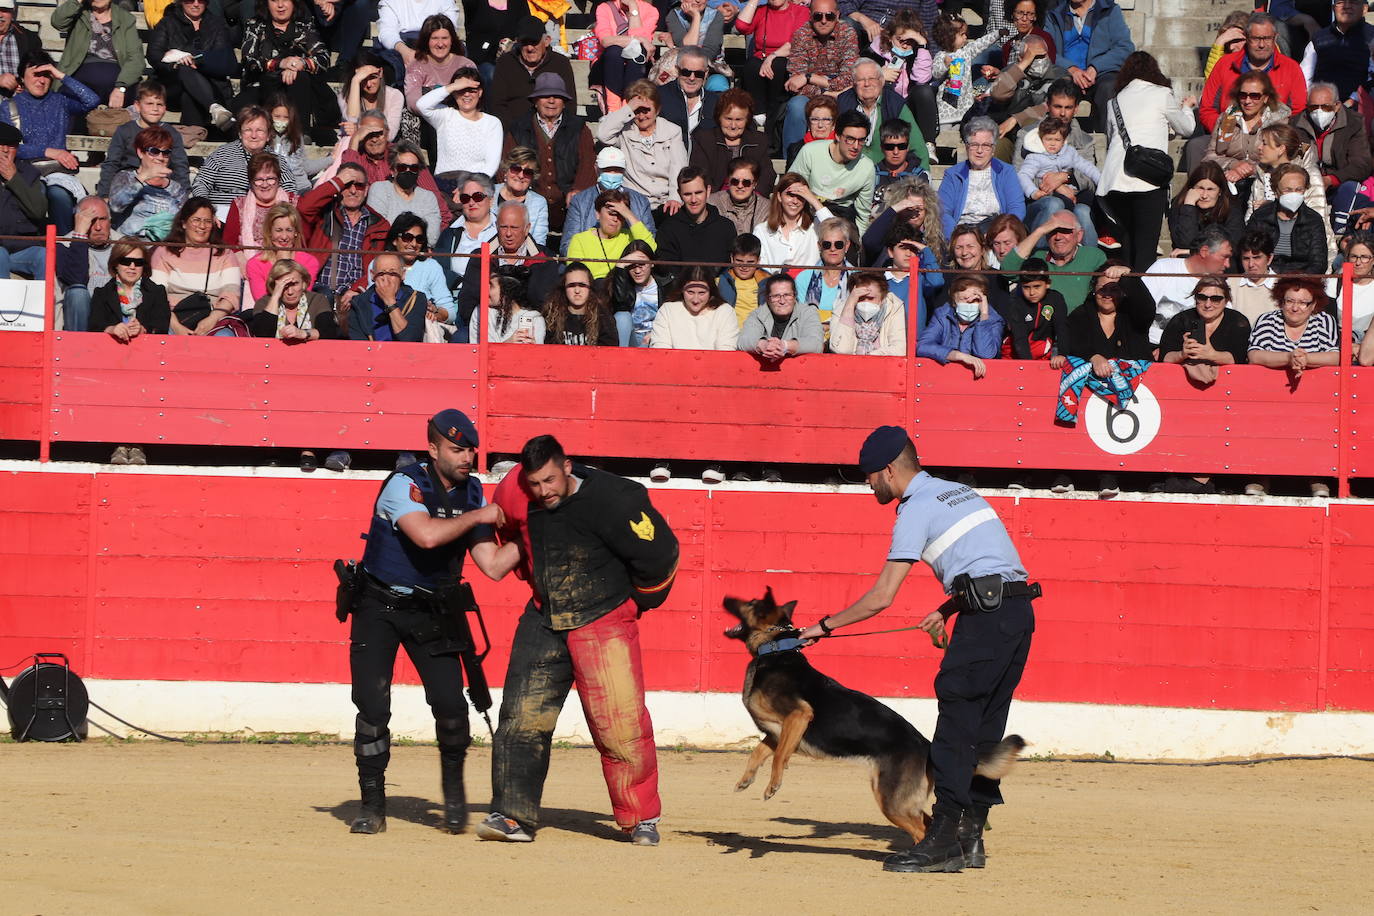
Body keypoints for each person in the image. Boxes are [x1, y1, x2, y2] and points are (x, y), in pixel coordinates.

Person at [795, 425, 1036, 875]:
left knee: (954, 731)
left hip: (984, 621)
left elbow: (882, 596)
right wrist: (950, 607)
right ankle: (971, 838)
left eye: (869, 475)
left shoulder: (915, 508)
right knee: (984, 729)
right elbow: (993, 565)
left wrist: (822, 627)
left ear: (889, 469)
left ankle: (942, 838)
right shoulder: (956, 492)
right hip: (1016, 616)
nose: (868, 484)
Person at [478, 434, 678, 845]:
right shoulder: (514, 489)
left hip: (603, 616)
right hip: (544, 615)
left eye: (550, 481)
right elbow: (508, 532)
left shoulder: (618, 498)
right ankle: (512, 816)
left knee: (620, 725)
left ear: (567, 467)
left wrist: (633, 605)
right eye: (534, 484)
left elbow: (660, 555)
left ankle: (641, 819)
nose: (543, 492)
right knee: (521, 718)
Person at [344, 408, 517, 836]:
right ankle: (372, 805)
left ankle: (454, 794)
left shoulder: (472, 493)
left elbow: (492, 566)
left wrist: (532, 536)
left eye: (471, 450)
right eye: (457, 449)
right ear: (433, 448)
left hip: (432, 609)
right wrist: (481, 516)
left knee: (453, 708)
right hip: (378, 607)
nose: (467, 458)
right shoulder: (404, 483)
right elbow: (425, 535)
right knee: (372, 708)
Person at [1098, 51, 1196, 272]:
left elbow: (1113, 136)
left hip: (1115, 182)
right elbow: (1186, 128)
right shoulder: (1162, 93)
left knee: (1126, 247)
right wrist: (1188, 107)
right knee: (1145, 249)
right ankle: (1142, 300)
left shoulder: (1114, 101)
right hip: (1148, 181)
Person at [2, 52, 97, 234]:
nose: (41, 80)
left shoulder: (60, 101)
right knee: (38, 194)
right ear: (22, 77)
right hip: (25, 170)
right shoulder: (9, 106)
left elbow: (92, 100)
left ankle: (63, 245)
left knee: (58, 195)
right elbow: (9, 149)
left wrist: (61, 75)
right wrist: (49, 151)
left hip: (57, 172)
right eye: (36, 74)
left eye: (46, 75)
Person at [1196, 12, 1307, 156]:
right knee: (1195, 146)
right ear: (1247, 38)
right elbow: (1207, 109)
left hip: (1273, 143)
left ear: (1276, 38)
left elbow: (1298, 113)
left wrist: (1270, 139)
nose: (1261, 45)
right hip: (1228, 136)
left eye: (1267, 39)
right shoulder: (1224, 65)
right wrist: (1230, 134)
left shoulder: (1291, 68)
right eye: (1256, 39)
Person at [505, 73, 596, 237]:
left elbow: (588, 164)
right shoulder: (518, 128)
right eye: (545, 96)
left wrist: (578, 190)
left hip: (568, 204)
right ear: (535, 100)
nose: (552, 101)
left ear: (564, 101)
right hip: (528, 201)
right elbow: (507, 165)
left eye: (557, 96)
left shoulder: (579, 128)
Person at [453, 202, 559, 341]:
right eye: (504, 227)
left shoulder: (544, 259)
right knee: (460, 337)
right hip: (488, 326)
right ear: (496, 226)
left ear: (527, 228)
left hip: (529, 325)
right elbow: (467, 304)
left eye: (514, 228)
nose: (508, 233)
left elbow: (545, 303)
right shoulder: (479, 257)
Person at [237, 0, 336, 145]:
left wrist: (299, 63)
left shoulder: (304, 25)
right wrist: (280, 64)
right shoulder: (255, 25)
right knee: (268, 79)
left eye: (285, 0)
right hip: (263, 86)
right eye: (274, 1)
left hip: (298, 87)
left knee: (300, 76)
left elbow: (323, 58)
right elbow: (250, 60)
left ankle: (302, 134)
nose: (280, 5)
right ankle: (269, 132)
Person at [300, 162, 391, 309]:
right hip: (320, 292)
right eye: (347, 185)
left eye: (359, 186)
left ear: (366, 189)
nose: (353, 191)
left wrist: (358, 289)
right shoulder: (325, 213)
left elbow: (377, 266)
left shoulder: (379, 225)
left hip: (357, 296)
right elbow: (304, 207)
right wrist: (337, 181)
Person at [152, 196, 242, 335]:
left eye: (207, 221)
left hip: (213, 318)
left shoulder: (225, 254)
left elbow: (231, 295)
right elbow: (157, 295)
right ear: (183, 223)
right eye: (196, 220)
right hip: (172, 318)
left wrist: (212, 319)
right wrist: (176, 326)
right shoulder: (164, 252)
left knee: (225, 337)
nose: (202, 226)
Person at [1291, 82, 1373, 235]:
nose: (1319, 112)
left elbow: (1361, 164)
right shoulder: (1295, 124)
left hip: (1340, 182)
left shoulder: (1354, 123)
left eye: (1326, 107)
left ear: (1337, 106)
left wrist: (1331, 179)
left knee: (1350, 188)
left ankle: (1341, 233)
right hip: (1306, 182)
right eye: (1313, 107)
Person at [781, 0, 860, 157]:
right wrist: (826, 92)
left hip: (842, 93)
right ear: (811, 16)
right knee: (796, 106)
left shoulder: (848, 33)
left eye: (829, 16)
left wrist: (809, 77)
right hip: (813, 95)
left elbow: (849, 78)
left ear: (837, 15)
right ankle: (792, 163)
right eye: (818, 16)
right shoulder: (801, 35)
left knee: (852, 105)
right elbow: (796, 82)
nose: (823, 21)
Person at [596, 80, 689, 212]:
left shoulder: (672, 131)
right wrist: (628, 109)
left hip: (665, 201)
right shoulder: (624, 131)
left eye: (646, 110)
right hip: (633, 202)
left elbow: (678, 167)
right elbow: (603, 134)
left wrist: (674, 198)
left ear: (657, 109)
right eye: (637, 111)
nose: (641, 116)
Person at [1041, 0, 1135, 131]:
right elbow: (1046, 49)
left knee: (1109, 87)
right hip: (1066, 73)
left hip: (1101, 74)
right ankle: (1054, 137)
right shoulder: (1055, 12)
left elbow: (1125, 47)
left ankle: (1108, 138)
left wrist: (1095, 67)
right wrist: (1071, 69)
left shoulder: (1109, 10)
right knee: (1054, 88)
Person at [147, 0, 237, 134]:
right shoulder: (167, 22)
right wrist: (175, 64)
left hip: (210, 84)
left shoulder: (217, 24)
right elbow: (154, 54)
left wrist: (191, 58)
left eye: (201, 0)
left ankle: (192, 143)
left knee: (189, 94)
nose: (196, 4)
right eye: (190, 0)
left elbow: (226, 62)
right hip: (173, 84)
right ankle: (214, 108)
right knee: (184, 68)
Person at [191, 106, 301, 212]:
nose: (254, 135)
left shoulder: (276, 160)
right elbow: (201, 183)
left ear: (268, 135)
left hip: (263, 215)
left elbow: (289, 187)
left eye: (259, 130)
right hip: (221, 211)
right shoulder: (222, 154)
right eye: (248, 130)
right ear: (240, 133)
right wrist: (207, 210)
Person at [1141, 226, 1234, 347]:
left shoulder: (1221, 285)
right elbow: (1141, 308)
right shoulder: (1164, 268)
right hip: (1151, 345)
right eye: (1224, 257)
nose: (1228, 264)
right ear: (1204, 252)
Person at [97, 81, 191, 199]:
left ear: (165, 107)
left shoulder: (172, 133)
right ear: (137, 106)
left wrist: (185, 195)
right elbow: (111, 163)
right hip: (129, 180)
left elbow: (180, 166)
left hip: (161, 182)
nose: (155, 109)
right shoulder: (125, 130)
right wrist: (104, 195)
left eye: (159, 104)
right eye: (149, 103)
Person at [734, 0, 810, 144]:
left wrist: (772, 56)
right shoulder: (762, 11)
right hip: (760, 59)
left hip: (786, 57)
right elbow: (741, 26)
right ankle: (758, 114)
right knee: (751, 65)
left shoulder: (801, 11)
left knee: (778, 66)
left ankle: (772, 123)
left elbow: (797, 42)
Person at [50, 0, 145, 112]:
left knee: (138, 97)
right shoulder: (79, 13)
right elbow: (57, 22)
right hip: (80, 76)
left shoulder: (125, 19)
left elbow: (136, 58)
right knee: (64, 97)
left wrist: (121, 88)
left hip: (118, 80)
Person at [791, 110, 877, 232]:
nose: (856, 146)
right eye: (850, 139)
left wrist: (858, 244)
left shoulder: (866, 167)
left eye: (861, 140)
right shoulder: (810, 152)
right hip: (806, 212)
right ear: (837, 135)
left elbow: (863, 214)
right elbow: (791, 187)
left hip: (842, 218)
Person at [937, 116, 1026, 236]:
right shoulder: (953, 174)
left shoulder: (1006, 171)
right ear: (967, 147)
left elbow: (1016, 208)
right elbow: (943, 212)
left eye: (986, 145)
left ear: (993, 149)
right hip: (962, 234)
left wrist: (1002, 235)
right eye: (974, 144)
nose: (979, 150)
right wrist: (956, 238)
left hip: (995, 234)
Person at [1001, 209, 1105, 311]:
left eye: (1065, 231)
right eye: (1052, 231)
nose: (1058, 237)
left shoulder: (1093, 256)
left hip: (1078, 324)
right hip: (1043, 325)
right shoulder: (1037, 257)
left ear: (1079, 235)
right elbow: (1008, 270)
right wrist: (1039, 231)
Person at [1247, 275, 1338, 390]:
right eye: (1290, 301)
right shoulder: (1267, 320)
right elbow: (1254, 355)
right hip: (1268, 387)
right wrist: (1288, 358)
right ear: (1281, 302)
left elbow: (1335, 357)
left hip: (1316, 388)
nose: (1295, 308)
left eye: (1303, 303)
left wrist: (1306, 359)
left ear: (1313, 304)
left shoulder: (1324, 321)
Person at [403, 14, 473, 163]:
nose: (440, 44)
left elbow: (473, 97)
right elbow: (413, 102)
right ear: (426, 41)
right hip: (426, 123)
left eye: (444, 38)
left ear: (452, 39)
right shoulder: (417, 65)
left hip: (458, 120)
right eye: (435, 38)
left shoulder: (466, 65)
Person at [1018, 116, 1099, 243]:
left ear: (1064, 140)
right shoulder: (1035, 157)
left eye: (1057, 139)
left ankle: (1091, 254)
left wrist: (1100, 180)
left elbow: (1086, 166)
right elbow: (1023, 175)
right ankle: (1040, 247)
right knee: (1055, 203)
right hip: (1048, 195)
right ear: (1041, 139)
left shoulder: (1069, 152)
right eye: (1048, 139)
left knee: (1083, 210)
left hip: (1072, 194)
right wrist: (1033, 192)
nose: (1052, 143)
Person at [562, 148, 658, 255]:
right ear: (596, 169)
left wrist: (628, 214)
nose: (612, 174)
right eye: (607, 169)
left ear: (624, 171)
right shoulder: (580, 201)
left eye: (617, 170)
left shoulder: (640, 201)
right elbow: (567, 246)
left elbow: (650, 245)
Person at [837, 58, 926, 171]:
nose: (867, 84)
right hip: (850, 172)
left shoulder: (895, 103)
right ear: (854, 84)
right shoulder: (843, 103)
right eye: (861, 80)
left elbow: (917, 146)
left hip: (886, 174)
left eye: (872, 78)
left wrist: (924, 175)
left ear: (882, 81)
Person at [417, 66, 503, 181]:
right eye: (461, 90)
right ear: (454, 93)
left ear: (480, 92)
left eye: (472, 90)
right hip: (444, 183)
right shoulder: (445, 115)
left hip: (476, 186)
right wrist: (452, 86)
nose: (466, 94)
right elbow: (421, 105)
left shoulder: (492, 123)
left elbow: (491, 164)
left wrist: (471, 187)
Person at [654, 167, 736, 286]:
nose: (693, 200)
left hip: (717, 294)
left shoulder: (725, 227)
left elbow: (729, 270)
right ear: (679, 194)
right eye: (687, 194)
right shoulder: (668, 229)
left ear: (708, 191)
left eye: (698, 193)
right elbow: (668, 272)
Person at [488, 16, 576, 128]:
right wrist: (515, 132)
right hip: (513, 131)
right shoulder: (505, 63)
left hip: (553, 130)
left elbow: (570, 104)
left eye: (534, 42)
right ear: (517, 42)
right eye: (525, 43)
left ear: (547, 41)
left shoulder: (560, 64)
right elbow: (498, 105)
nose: (530, 48)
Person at [1246, 162, 1328, 277]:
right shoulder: (1260, 217)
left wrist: (1300, 280)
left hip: (1301, 281)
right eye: (1288, 190)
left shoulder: (1313, 220)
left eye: (1299, 189)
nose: (1293, 194)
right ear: (1276, 191)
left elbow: (1319, 262)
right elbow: (1249, 252)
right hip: (1266, 277)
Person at [689, 88, 776, 195]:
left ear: (747, 120)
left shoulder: (758, 140)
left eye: (739, 120)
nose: (733, 126)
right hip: (715, 201)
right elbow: (701, 176)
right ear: (719, 117)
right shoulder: (704, 139)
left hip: (751, 201)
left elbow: (767, 175)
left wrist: (753, 197)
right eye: (728, 119)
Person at [107, 125, 189, 239]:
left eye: (166, 152)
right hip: (130, 244)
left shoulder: (176, 188)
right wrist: (144, 177)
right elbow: (115, 206)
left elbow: (185, 220)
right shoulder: (126, 177)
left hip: (163, 247)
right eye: (154, 151)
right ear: (140, 152)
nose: (160, 157)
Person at [1064, 266, 1154, 368]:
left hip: (1139, 378)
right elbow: (1073, 344)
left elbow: (1147, 307)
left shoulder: (1133, 314)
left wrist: (1129, 276)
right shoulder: (1079, 315)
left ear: (1123, 292)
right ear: (1094, 290)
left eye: (1114, 289)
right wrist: (1092, 357)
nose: (1107, 294)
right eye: (1102, 289)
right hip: (1093, 380)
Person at [1158, 275, 1251, 373]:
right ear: (1195, 298)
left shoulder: (1237, 322)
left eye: (1215, 299)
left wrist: (1211, 354)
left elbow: (1239, 357)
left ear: (1226, 301)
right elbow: (1164, 357)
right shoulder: (1181, 320)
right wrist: (1182, 354)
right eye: (1202, 298)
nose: (1208, 304)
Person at [918, 275, 1005, 376]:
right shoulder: (942, 316)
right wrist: (957, 355)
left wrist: (984, 316)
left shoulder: (994, 320)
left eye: (975, 300)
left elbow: (986, 354)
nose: (969, 304)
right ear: (954, 302)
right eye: (964, 299)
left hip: (979, 379)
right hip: (944, 375)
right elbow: (922, 346)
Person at [383, 213, 454, 333]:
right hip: (385, 328)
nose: (414, 244)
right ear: (395, 240)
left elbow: (450, 312)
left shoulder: (431, 267)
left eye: (419, 239)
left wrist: (436, 314)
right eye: (407, 237)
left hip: (422, 332)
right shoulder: (380, 264)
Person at [89, 237, 171, 338]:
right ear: (115, 264)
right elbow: (93, 328)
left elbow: (162, 329)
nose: (132, 267)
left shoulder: (157, 292)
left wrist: (143, 330)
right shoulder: (102, 294)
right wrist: (111, 329)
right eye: (126, 261)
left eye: (138, 262)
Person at [566, 188, 656, 281]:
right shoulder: (580, 240)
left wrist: (628, 214)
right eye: (611, 214)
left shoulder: (630, 237)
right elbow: (576, 275)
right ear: (597, 214)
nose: (615, 219)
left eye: (620, 215)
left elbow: (651, 250)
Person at [366, 141, 444, 246]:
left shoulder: (428, 197)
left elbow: (432, 238)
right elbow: (378, 230)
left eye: (414, 168)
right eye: (402, 168)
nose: (408, 171)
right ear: (393, 170)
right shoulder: (380, 189)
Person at [222, 152, 296, 258]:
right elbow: (229, 244)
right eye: (259, 180)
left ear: (278, 180)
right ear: (251, 182)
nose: (265, 185)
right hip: (247, 264)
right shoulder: (239, 205)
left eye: (270, 179)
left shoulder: (293, 202)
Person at [650, 264, 740, 350]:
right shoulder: (667, 311)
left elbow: (726, 351)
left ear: (711, 291)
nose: (695, 300)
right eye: (690, 292)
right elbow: (661, 349)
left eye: (702, 293)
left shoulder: (725, 312)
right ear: (682, 289)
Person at [737, 272, 824, 361]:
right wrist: (764, 345)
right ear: (767, 298)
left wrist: (785, 345)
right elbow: (743, 341)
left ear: (794, 296)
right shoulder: (758, 314)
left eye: (787, 295)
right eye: (776, 296)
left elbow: (816, 344)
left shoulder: (808, 312)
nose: (782, 301)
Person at [754, 173, 834, 269]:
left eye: (801, 196)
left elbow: (837, 230)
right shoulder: (762, 230)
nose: (795, 201)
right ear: (779, 196)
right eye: (790, 195)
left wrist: (812, 199)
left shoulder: (816, 226)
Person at [243, 202, 319, 301]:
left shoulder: (309, 262)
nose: (284, 237)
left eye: (289, 230)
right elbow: (262, 302)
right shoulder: (255, 264)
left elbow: (301, 298)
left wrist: (286, 261)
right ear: (270, 232)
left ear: (296, 232)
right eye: (278, 230)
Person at [593, 0, 660, 111]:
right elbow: (605, 41)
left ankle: (626, 108)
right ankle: (613, 109)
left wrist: (633, 8)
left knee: (637, 54)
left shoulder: (651, 11)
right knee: (614, 51)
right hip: (606, 63)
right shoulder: (604, 8)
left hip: (637, 64)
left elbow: (639, 46)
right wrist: (638, 39)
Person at [1300, 0, 1373, 101]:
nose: (1346, 6)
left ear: (1364, 9)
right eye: (1340, 2)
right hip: (1322, 106)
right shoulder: (1318, 39)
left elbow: (1371, 78)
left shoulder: (1371, 37)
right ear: (1333, 8)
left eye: (1353, 2)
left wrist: (1354, 99)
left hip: (1362, 106)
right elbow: (1304, 77)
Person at [347, 251, 427, 341]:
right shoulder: (359, 303)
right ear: (372, 275)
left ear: (403, 274)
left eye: (392, 274)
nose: (387, 279)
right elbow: (358, 343)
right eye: (381, 273)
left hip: (404, 354)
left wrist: (390, 301)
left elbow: (410, 339)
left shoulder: (416, 299)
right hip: (372, 353)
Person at [1167, 162, 1245, 255]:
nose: (1204, 195)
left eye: (1210, 189)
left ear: (1220, 191)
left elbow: (1234, 245)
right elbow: (1185, 243)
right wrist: (1189, 206)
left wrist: (1194, 251)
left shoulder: (1231, 208)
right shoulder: (1180, 205)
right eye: (1200, 188)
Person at [999, 256, 1067, 360]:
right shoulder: (1016, 303)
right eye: (1026, 287)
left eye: (1037, 286)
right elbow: (1019, 337)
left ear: (1048, 284)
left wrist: (1062, 354)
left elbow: (1062, 328)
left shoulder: (1056, 299)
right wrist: (1029, 365)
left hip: (1042, 352)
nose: (1031, 292)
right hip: (1013, 354)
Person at [249, 256, 333, 340]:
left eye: (294, 284)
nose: (290, 292)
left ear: (303, 283)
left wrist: (302, 333)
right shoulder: (264, 302)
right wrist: (275, 297)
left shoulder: (317, 300)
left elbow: (329, 333)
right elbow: (262, 335)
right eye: (284, 286)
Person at [794, 216, 855, 332]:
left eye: (838, 244)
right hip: (811, 335)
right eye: (827, 244)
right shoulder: (803, 278)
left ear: (847, 246)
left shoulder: (857, 278)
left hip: (845, 337)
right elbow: (800, 316)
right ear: (819, 246)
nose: (833, 249)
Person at [542, 262, 619, 346]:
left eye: (582, 285)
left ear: (590, 287)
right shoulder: (552, 316)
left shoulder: (603, 317)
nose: (577, 291)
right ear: (564, 288)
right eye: (571, 285)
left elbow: (609, 350)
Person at [829, 270, 906, 355]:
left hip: (882, 365)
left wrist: (870, 357)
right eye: (860, 298)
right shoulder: (842, 309)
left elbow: (899, 349)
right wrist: (849, 306)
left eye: (870, 298)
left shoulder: (894, 307)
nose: (865, 302)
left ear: (882, 299)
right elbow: (841, 349)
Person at [658, 44, 720, 147]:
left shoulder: (716, 102)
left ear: (706, 73)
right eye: (686, 72)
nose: (692, 78)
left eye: (698, 73)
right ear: (677, 70)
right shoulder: (659, 97)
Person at [605, 239, 659, 346]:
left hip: (657, 337)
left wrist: (655, 334)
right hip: (632, 338)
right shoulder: (623, 284)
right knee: (622, 316)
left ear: (652, 263)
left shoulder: (665, 284)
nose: (637, 271)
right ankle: (621, 358)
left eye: (642, 265)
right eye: (632, 266)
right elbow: (621, 306)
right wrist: (620, 267)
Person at [493, 147, 549, 249]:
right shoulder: (489, 193)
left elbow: (539, 243)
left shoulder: (539, 203)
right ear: (506, 171)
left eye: (527, 172)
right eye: (516, 169)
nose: (521, 175)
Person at [338, 52, 403, 140]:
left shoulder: (394, 96)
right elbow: (351, 120)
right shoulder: (345, 95)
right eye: (363, 79)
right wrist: (355, 81)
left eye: (372, 77)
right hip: (352, 146)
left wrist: (359, 130)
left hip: (380, 147)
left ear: (380, 73)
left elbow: (390, 135)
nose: (369, 84)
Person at [473, 273, 546, 344]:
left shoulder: (535, 318)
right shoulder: (481, 312)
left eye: (491, 285)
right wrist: (507, 345)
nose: (484, 289)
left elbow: (538, 355)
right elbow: (478, 351)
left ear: (506, 291)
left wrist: (535, 349)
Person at [1228, 229, 1280, 325]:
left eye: (1257, 258)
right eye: (1246, 258)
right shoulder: (1231, 284)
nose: (1251, 264)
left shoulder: (1282, 286)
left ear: (1269, 258)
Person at [709, 158, 771, 235]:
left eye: (746, 182)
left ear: (754, 184)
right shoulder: (712, 203)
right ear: (728, 181)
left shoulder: (767, 209)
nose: (740, 186)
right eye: (735, 181)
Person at [719, 232, 768, 327]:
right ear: (732, 259)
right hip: (729, 333)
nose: (744, 267)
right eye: (739, 261)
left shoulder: (767, 282)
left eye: (750, 262)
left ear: (758, 261)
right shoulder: (721, 281)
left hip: (757, 334)